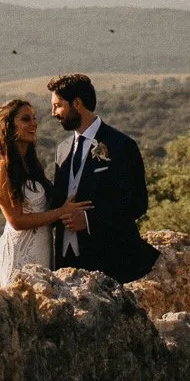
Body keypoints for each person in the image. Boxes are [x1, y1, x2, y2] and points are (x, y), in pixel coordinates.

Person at [45, 73, 160, 283]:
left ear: (77, 103)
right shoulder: (61, 150)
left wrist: (89, 221)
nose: (53, 113)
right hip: (65, 262)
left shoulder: (121, 145)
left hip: (109, 260)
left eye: (58, 105)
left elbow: (137, 204)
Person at [0, 97, 89, 285]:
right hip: (19, 252)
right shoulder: (2, 168)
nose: (33, 123)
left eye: (34, 119)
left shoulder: (31, 166)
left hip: (43, 248)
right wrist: (62, 212)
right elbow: (16, 221)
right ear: (8, 127)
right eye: (25, 119)